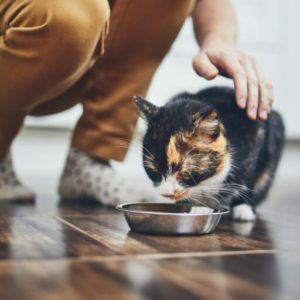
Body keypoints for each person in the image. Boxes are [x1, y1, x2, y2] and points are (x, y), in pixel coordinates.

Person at [0, 0, 273, 204]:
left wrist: (219, 41)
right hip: (29, 37)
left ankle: (90, 157)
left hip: (74, 68)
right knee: (73, 18)